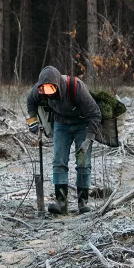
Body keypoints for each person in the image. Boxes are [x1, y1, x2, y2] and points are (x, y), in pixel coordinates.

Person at [26, 66, 102, 215]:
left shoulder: (76, 87)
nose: (47, 93)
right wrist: (32, 120)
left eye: (51, 89)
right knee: (59, 161)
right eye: (44, 90)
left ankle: (83, 203)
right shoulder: (39, 88)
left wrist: (89, 140)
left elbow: (95, 114)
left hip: (82, 124)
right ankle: (61, 203)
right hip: (61, 123)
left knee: (83, 162)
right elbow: (31, 101)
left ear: (57, 85)